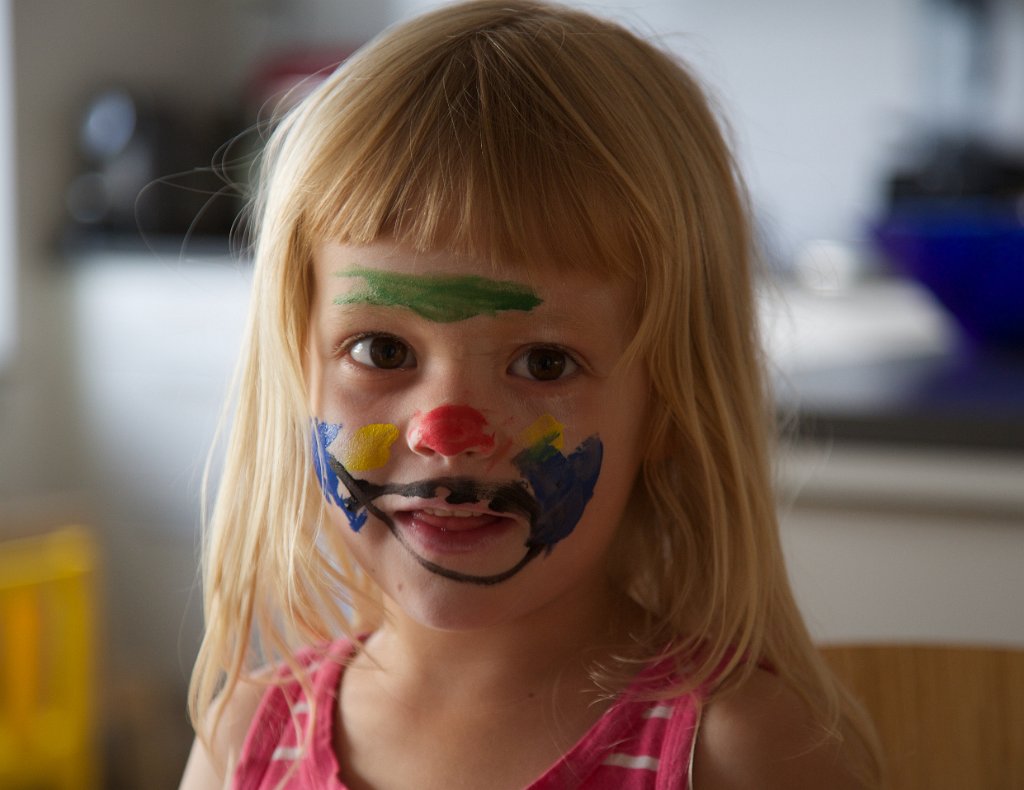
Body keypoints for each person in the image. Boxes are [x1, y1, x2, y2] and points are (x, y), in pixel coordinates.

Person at [180, 1, 882, 787]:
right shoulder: (243, 743)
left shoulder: (735, 754)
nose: (446, 433)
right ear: (297, 372)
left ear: (669, 406)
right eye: (383, 351)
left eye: (544, 364)